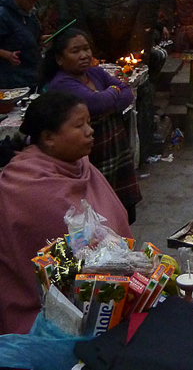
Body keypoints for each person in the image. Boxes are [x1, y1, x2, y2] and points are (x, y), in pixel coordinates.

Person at [0, 91, 132, 334]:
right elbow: (65, 260)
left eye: (89, 123)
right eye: (79, 125)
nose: (90, 131)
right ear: (49, 138)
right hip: (43, 313)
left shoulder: (81, 165)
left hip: (108, 293)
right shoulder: (26, 186)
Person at [45, 28, 142, 223]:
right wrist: (112, 94)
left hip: (114, 150)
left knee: (121, 209)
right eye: (75, 51)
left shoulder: (95, 72)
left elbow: (127, 93)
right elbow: (97, 103)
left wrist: (107, 98)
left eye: (86, 49)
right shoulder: (62, 83)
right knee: (98, 213)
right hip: (91, 155)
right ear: (59, 59)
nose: (84, 55)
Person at [0, 0, 43, 89]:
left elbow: (31, 37)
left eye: (35, 1)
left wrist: (40, 40)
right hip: (10, 78)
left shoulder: (29, 14)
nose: (33, 5)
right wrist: (7, 55)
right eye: (30, 1)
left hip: (30, 73)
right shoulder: (3, 15)